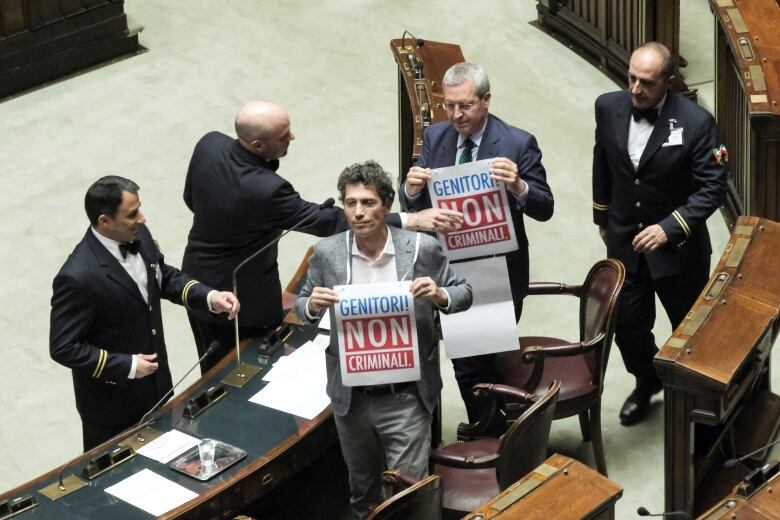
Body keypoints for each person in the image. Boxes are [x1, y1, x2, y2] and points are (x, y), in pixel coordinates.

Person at [182, 101, 462, 373]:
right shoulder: (266, 189)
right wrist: (411, 219)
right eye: (283, 136)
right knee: (243, 368)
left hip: (196, 281)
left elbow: (190, 199)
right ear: (258, 145)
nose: (292, 136)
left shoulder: (209, 144)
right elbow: (330, 222)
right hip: (242, 297)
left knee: (210, 359)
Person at [295, 161, 472, 519]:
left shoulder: (421, 249)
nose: (358, 213)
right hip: (352, 399)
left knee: (409, 492)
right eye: (350, 203)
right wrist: (311, 305)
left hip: (405, 395)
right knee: (362, 491)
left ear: (387, 205)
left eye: (368, 203)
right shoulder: (327, 253)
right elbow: (302, 302)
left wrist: (439, 294)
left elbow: (464, 292)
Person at [399, 62, 554, 423]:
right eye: (449, 106)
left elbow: (545, 208)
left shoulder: (517, 142)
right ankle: (497, 431)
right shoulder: (436, 138)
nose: (456, 115)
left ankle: (491, 437)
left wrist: (518, 185)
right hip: (448, 270)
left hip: (494, 275)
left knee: (473, 366)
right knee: (472, 363)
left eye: (465, 105)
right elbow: (419, 205)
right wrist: (411, 190)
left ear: (486, 100)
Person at [50, 176, 240, 451]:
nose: (142, 218)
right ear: (105, 222)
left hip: (158, 386)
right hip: (113, 406)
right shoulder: (77, 277)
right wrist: (127, 366)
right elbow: (63, 347)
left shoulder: (139, 236)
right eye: (132, 214)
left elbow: (163, 278)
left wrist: (209, 296)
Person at [592, 42, 727, 425]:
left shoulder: (697, 123)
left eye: (646, 82)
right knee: (628, 329)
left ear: (668, 82)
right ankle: (647, 381)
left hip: (679, 254)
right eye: (631, 77)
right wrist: (602, 217)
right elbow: (602, 160)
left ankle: (694, 405)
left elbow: (713, 187)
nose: (635, 88)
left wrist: (670, 228)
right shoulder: (608, 106)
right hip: (625, 247)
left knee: (690, 334)